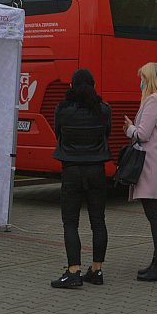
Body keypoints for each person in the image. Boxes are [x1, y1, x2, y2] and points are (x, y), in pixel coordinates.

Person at [50, 69, 112, 289]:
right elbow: (107, 133)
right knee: (98, 221)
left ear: (72, 87)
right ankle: (96, 269)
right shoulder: (103, 110)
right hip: (97, 170)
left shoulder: (63, 110)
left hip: (71, 170)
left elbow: (58, 133)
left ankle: (73, 271)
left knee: (70, 222)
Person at [125, 62, 157, 282]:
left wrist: (130, 128)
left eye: (142, 78)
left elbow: (143, 134)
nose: (140, 82)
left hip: (150, 166)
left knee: (155, 216)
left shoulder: (153, 100)